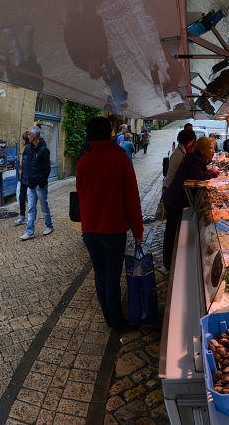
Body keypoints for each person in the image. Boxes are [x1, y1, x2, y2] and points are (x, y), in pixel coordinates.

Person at [76, 117, 143, 332]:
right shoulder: (120, 158)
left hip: (90, 229)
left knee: (100, 275)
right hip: (113, 229)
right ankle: (116, 322)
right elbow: (132, 197)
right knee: (112, 278)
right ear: (110, 134)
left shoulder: (84, 161)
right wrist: (138, 229)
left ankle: (109, 316)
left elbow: (81, 192)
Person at [162, 136, 218, 268]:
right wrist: (213, 171)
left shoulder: (197, 158)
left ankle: (172, 261)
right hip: (176, 200)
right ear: (203, 149)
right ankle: (169, 263)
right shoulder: (194, 160)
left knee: (173, 231)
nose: (214, 151)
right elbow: (200, 176)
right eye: (211, 148)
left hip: (178, 199)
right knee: (171, 232)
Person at [20, 126, 53, 240]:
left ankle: (49, 225)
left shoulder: (44, 150)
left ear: (35, 135)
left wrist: (42, 183)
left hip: (40, 185)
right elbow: (28, 166)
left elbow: (47, 168)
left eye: (29, 134)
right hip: (31, 184)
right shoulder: (29, 149)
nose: (27, 136)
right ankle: (30, 232)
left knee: (44, 206)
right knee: (31, 208)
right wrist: (28, 181)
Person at [14, 131, 30, 226]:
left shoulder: (30, 150)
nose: (22, 141)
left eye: (23, 139)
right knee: (21, 198)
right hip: (23, 179)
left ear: (26, 140)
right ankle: (22, 217)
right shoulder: (25, 150)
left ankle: (32, 217)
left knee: (31, 200)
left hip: (29, 179)